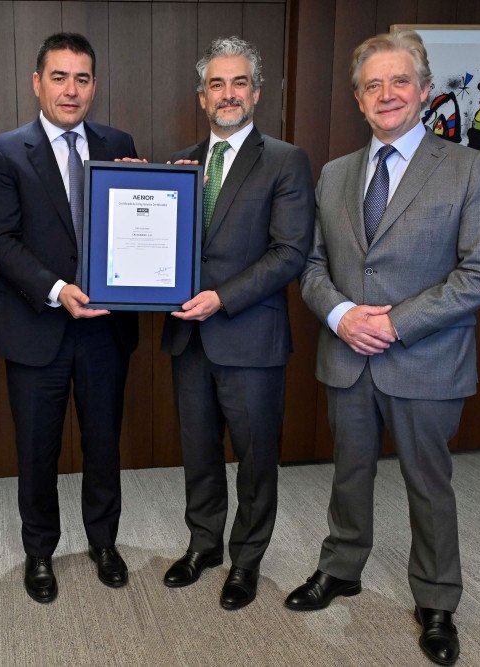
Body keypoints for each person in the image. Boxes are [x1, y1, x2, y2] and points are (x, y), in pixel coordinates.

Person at [285, 29, 480, 666]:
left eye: (399, 82)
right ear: (358, 99)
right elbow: (312, 265)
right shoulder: (334, 175)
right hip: (347, 355)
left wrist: (396, 323)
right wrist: (341, 316)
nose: (387, 95)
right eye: (373, 85)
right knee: (349, 472)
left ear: (425, 91)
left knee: (428, 484)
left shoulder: (467, 168)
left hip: (426, 359)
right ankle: (341, 566)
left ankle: (436, 599)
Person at [0, 33, 139, 604]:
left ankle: (104, 543)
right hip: (37, 327)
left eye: (82, 78)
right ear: (37, 82)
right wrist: (57, 289)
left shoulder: (119, 143)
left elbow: (136, 222)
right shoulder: (3, 152)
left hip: (105, 330)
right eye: (59, 77)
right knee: (37, 450)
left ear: (94, 85)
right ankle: (39, 551)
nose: (71, 90)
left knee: (104, 444)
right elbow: (0, 240)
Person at [160, 36, 314, 611]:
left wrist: (221, 298)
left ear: (257, 92)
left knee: (254, 460)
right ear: (202, 97)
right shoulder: (179, 164)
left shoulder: (285, 160)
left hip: (250, 337)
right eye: (216, 85)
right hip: (188, 337)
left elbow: (289, 252)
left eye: (239, 83)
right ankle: (204, 545)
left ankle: (246, 560)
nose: (228, 94)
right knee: (198, 453)